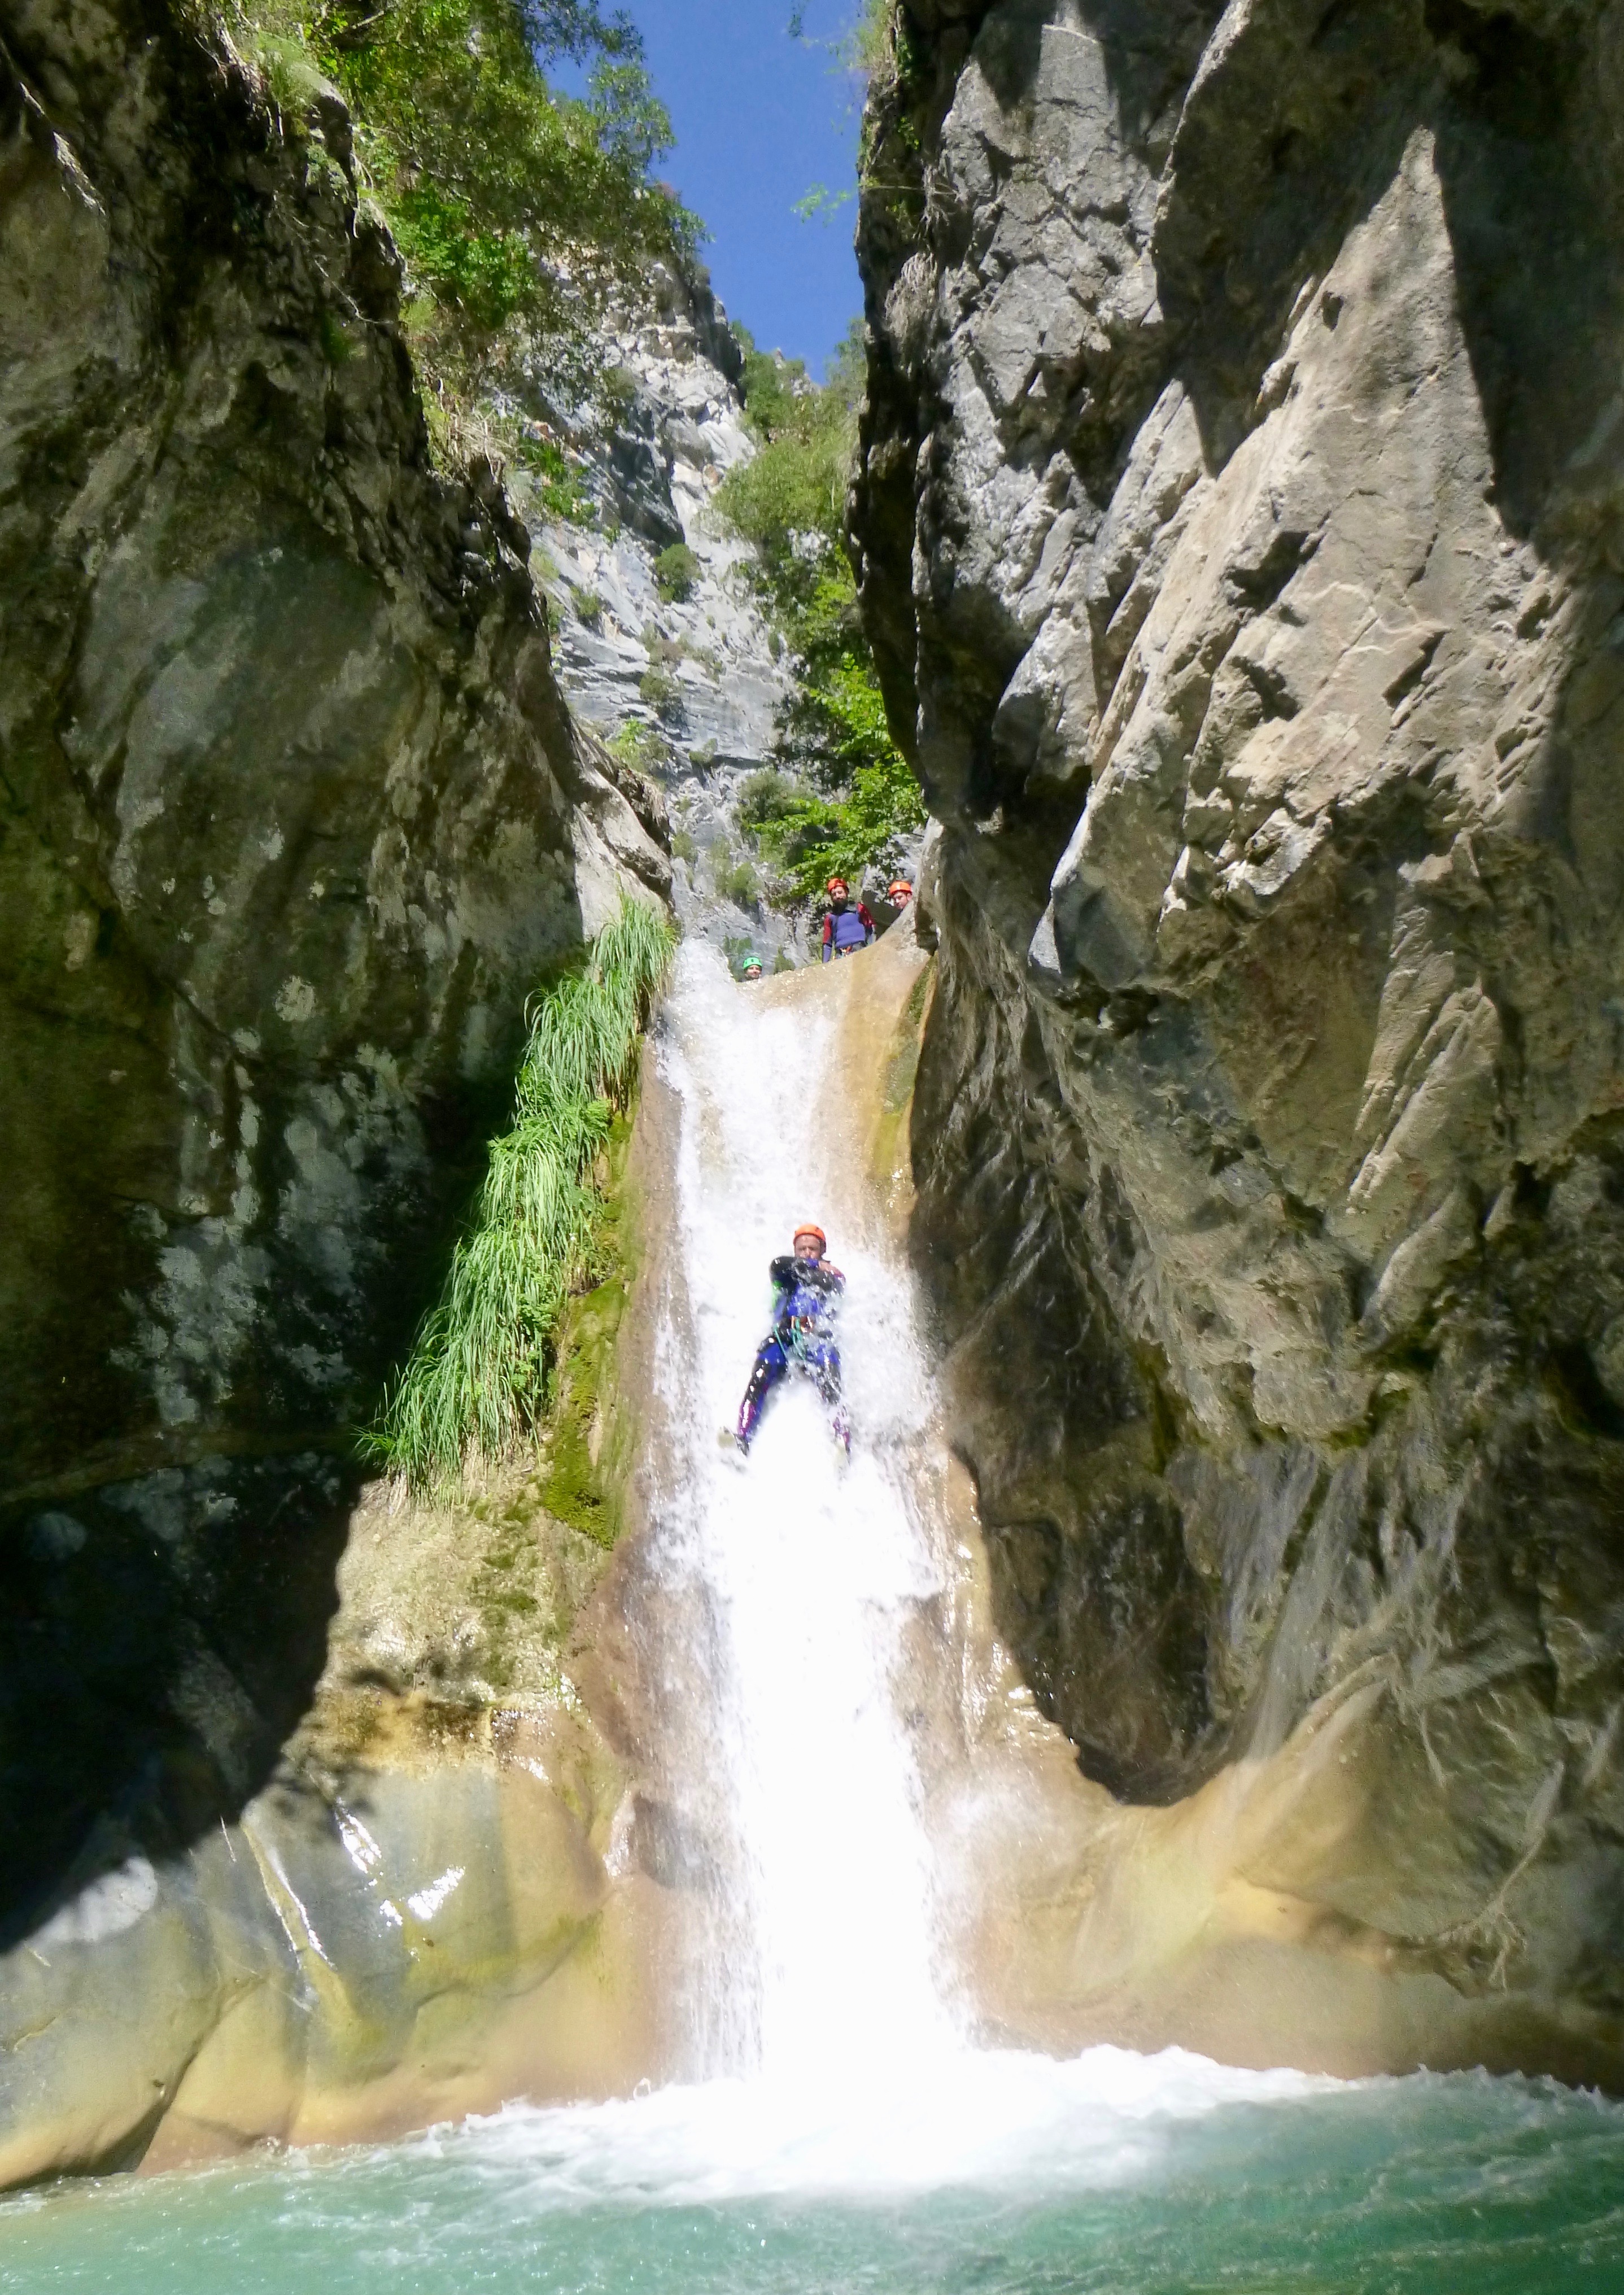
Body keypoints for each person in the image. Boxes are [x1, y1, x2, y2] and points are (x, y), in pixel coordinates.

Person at [731, 1223, 850, 1456]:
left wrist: (819, 1270)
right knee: (761, 1374)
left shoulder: (833, 1277)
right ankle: (743, 1437)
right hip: (785, 1338)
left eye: (812, 1250)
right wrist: (814, 1266)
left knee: (831, 1382)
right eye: (802, 1249)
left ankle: (841, 1441)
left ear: (822, 1250)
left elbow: (834, 1284)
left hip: (818, 1340)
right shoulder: (786, 1275)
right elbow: (777, 1265)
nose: (806, 1253)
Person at [820, 877, 875, 963]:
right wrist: (824, 965)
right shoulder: (830, 918)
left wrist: (872, 950)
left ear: (846, 892)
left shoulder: (860, 909)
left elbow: (870, 930)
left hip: (860, 950)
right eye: (834, 894)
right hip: (841, 955)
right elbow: (827, 944)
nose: (837, 896)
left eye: (840, 893)